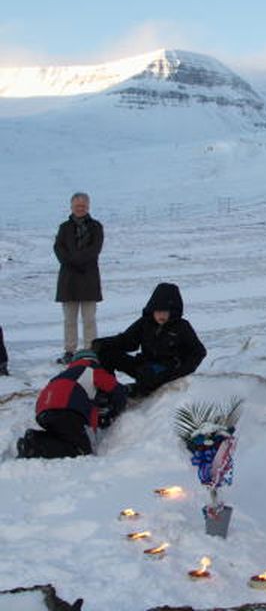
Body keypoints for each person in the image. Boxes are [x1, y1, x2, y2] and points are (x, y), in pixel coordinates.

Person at [93, 282, 207, 398]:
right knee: (107, 354)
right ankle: (108, 389)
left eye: (165, 312)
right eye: (157, 311)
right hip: (144, 364)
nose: (161, 316)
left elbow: (198, 352)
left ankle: (132, 392)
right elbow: (127, 341)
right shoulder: (145, 322)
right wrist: (102, 343)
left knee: (147, 373)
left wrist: (180, 372)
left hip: (167, 370)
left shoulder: (182, 327)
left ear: (172, 311)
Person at [16, 349, 127, 459]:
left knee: (62, 437)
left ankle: (35, 438)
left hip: (43, 410)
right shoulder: (92, 370)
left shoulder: (63, 374)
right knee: (82, 450)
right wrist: (115, 411)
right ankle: (33, 446)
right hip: (67, 410)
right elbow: (117, 390)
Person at [54, 192, 104, 364]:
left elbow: (95, 248)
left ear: (88, 206)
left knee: (89, 318)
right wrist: (72, 262)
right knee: (69, 319)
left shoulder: (96, 226)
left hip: (88, 278)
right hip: (69, 280)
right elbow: (59, 249)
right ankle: (70, 350)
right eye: (77, 206)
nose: (80, 208)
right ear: (71, 207)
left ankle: (91, 349)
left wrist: (79, 261)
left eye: (83, 206)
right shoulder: (64, 227)